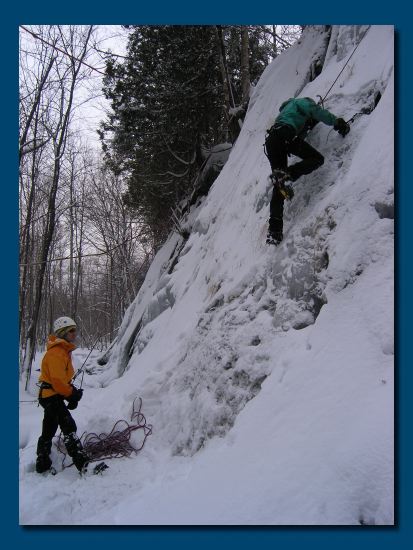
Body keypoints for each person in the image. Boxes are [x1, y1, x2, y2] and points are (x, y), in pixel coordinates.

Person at [264, 96, 350, 245]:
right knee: (317, 159)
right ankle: (287, 175)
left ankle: (274, 231)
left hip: (271, 141)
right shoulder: (301, 102)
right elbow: (316, 111)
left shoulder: (285, 111)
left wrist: (308, 125)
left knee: (279, 185)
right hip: (285, 135)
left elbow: (300, 131)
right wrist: (337, 122)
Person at [35, 316, 89, 474]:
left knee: (49, 427)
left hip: (51, 395)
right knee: (68, 425)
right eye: (71, 331)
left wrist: (70, 393)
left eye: (75, 330)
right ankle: (83, 463)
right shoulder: (57, 353)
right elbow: (58, 382)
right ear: (63, 332)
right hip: (50, 396)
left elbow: (61, 380)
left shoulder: (62, 351)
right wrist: (72, 395)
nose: (74, 333)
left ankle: (42, 461)